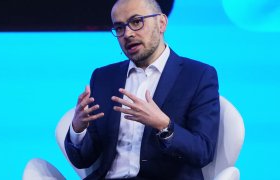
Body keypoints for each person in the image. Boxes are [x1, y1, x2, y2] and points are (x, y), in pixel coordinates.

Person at [65, 0, 220, 179]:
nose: (128, 34)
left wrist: (164, 126)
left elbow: (203, 151)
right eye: (119, 28)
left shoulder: (197, 75)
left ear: (161, 23)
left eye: (136, 22)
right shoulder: (104, 78)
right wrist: (78, 129)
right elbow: (83, 160)